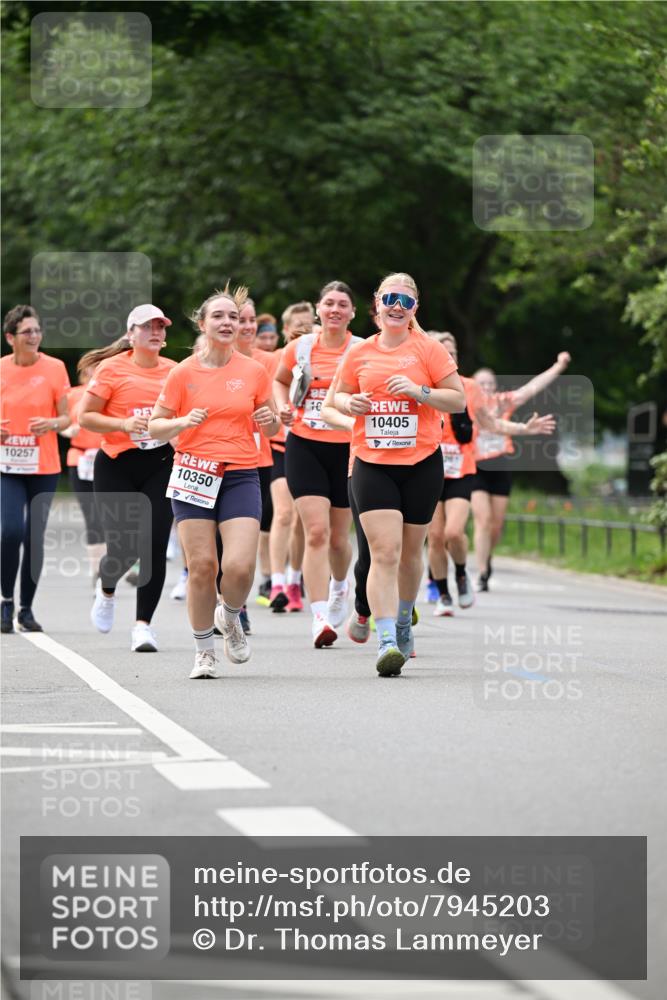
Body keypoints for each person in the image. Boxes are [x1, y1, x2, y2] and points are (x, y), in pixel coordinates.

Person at [334, 272, 465, 676]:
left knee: (410, 555)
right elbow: (338, 394)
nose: (397, 305)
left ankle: (405, 620)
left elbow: (457, 400)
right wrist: (350, 403)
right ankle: (387, 639)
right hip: (372, 464)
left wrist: (417, 391)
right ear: (377, 302)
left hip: (421, 463)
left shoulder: (429, 350)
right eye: (390, 298)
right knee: (384, 552)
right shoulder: (360, 352)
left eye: (405, 301)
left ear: (414, 309)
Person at [148, 287, 280, 680]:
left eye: (233, 317)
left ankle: (231, 615)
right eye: (218, 316)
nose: (227, 322)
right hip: (193, 472)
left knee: (239, 566)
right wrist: (181, 422)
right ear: (202, 324)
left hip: (240, 472)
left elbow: (272, 425)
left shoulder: (254, 371)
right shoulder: (183, 372)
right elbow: (155, 426)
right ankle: (204, 651)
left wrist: (269, 420)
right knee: (203, 566)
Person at [426, 332, 557, 616]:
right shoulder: (422, 386)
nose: (449, 357)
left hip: (461, 471)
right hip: (428, 471)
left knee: (453, 532)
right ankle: (443, 594)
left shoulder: (469, 388)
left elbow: (490, 423)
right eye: (443, 352)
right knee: (435, 537)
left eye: (453, 353)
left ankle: (462, 573)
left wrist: (523, 429)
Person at [78, 304, 176, 652]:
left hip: (161, 463)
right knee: (123, 546)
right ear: (131, 334)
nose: (155, 332)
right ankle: (106, 590)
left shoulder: (174, 371)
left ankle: (142, 626)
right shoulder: (112, 369)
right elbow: (85, 416)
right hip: (116, 464)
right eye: (147, 327)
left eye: (160, 327)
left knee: (154, 544)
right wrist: (123, 424)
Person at [273, 282, 361, 647]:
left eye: (342, 304)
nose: (335, 309)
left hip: (347, 449)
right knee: (316, 533)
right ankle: (320, 616)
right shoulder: (300, 347)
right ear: (318, 309)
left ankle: (340, 586)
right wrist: (283, 406)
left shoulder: (362, 350)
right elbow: (279, 381)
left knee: (339, 539)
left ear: (352, 313)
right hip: (305, 445)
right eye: (329, 303)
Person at [472, 352, 571, 590]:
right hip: (475, 466)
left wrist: (558, 366)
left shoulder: (503, 402)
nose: (486, 387)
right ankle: (482, 572)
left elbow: (532, 387)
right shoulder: (467, 404)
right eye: (481, 383)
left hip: (500, 465)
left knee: (496, 524)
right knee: (483, 520)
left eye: (490, 383)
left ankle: (487, 556)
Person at [1, 305, 70, 633]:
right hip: (7, 464)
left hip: (44, 465)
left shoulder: (55, 368)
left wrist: (52, 423)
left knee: (34, 536)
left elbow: (67, 418)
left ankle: (26, 609)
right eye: (27, 331)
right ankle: (6, 600)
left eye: (37, 330)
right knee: (11, 531)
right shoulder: (1, 368)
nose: (34, 336)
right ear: (10, 338)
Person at [61, 361, 105, 584]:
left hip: (109, 459)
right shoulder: (73, 395)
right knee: (93, 517)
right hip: (80, 458)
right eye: (91, 366)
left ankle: (128, 563)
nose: (95, 369)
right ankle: (97, 571)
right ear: (84, 370)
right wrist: (69, 431)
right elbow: (60, 422)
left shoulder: (112, 393)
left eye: (99, 365)